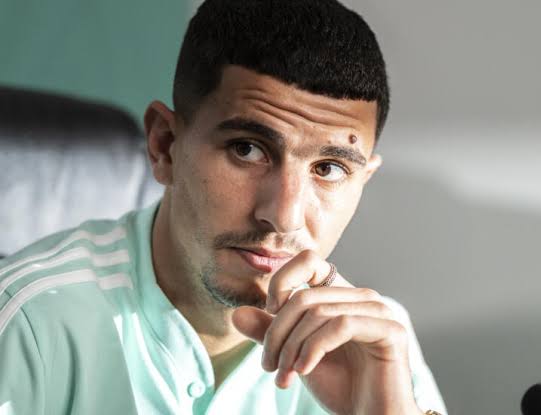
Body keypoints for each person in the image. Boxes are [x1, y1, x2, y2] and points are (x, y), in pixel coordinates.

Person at [0, 0, 447, 414]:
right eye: (247, 150)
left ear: (363, 180)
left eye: (329, 169)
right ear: (165, 145)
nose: (284, 216)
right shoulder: (29, 322)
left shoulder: (373, 344)